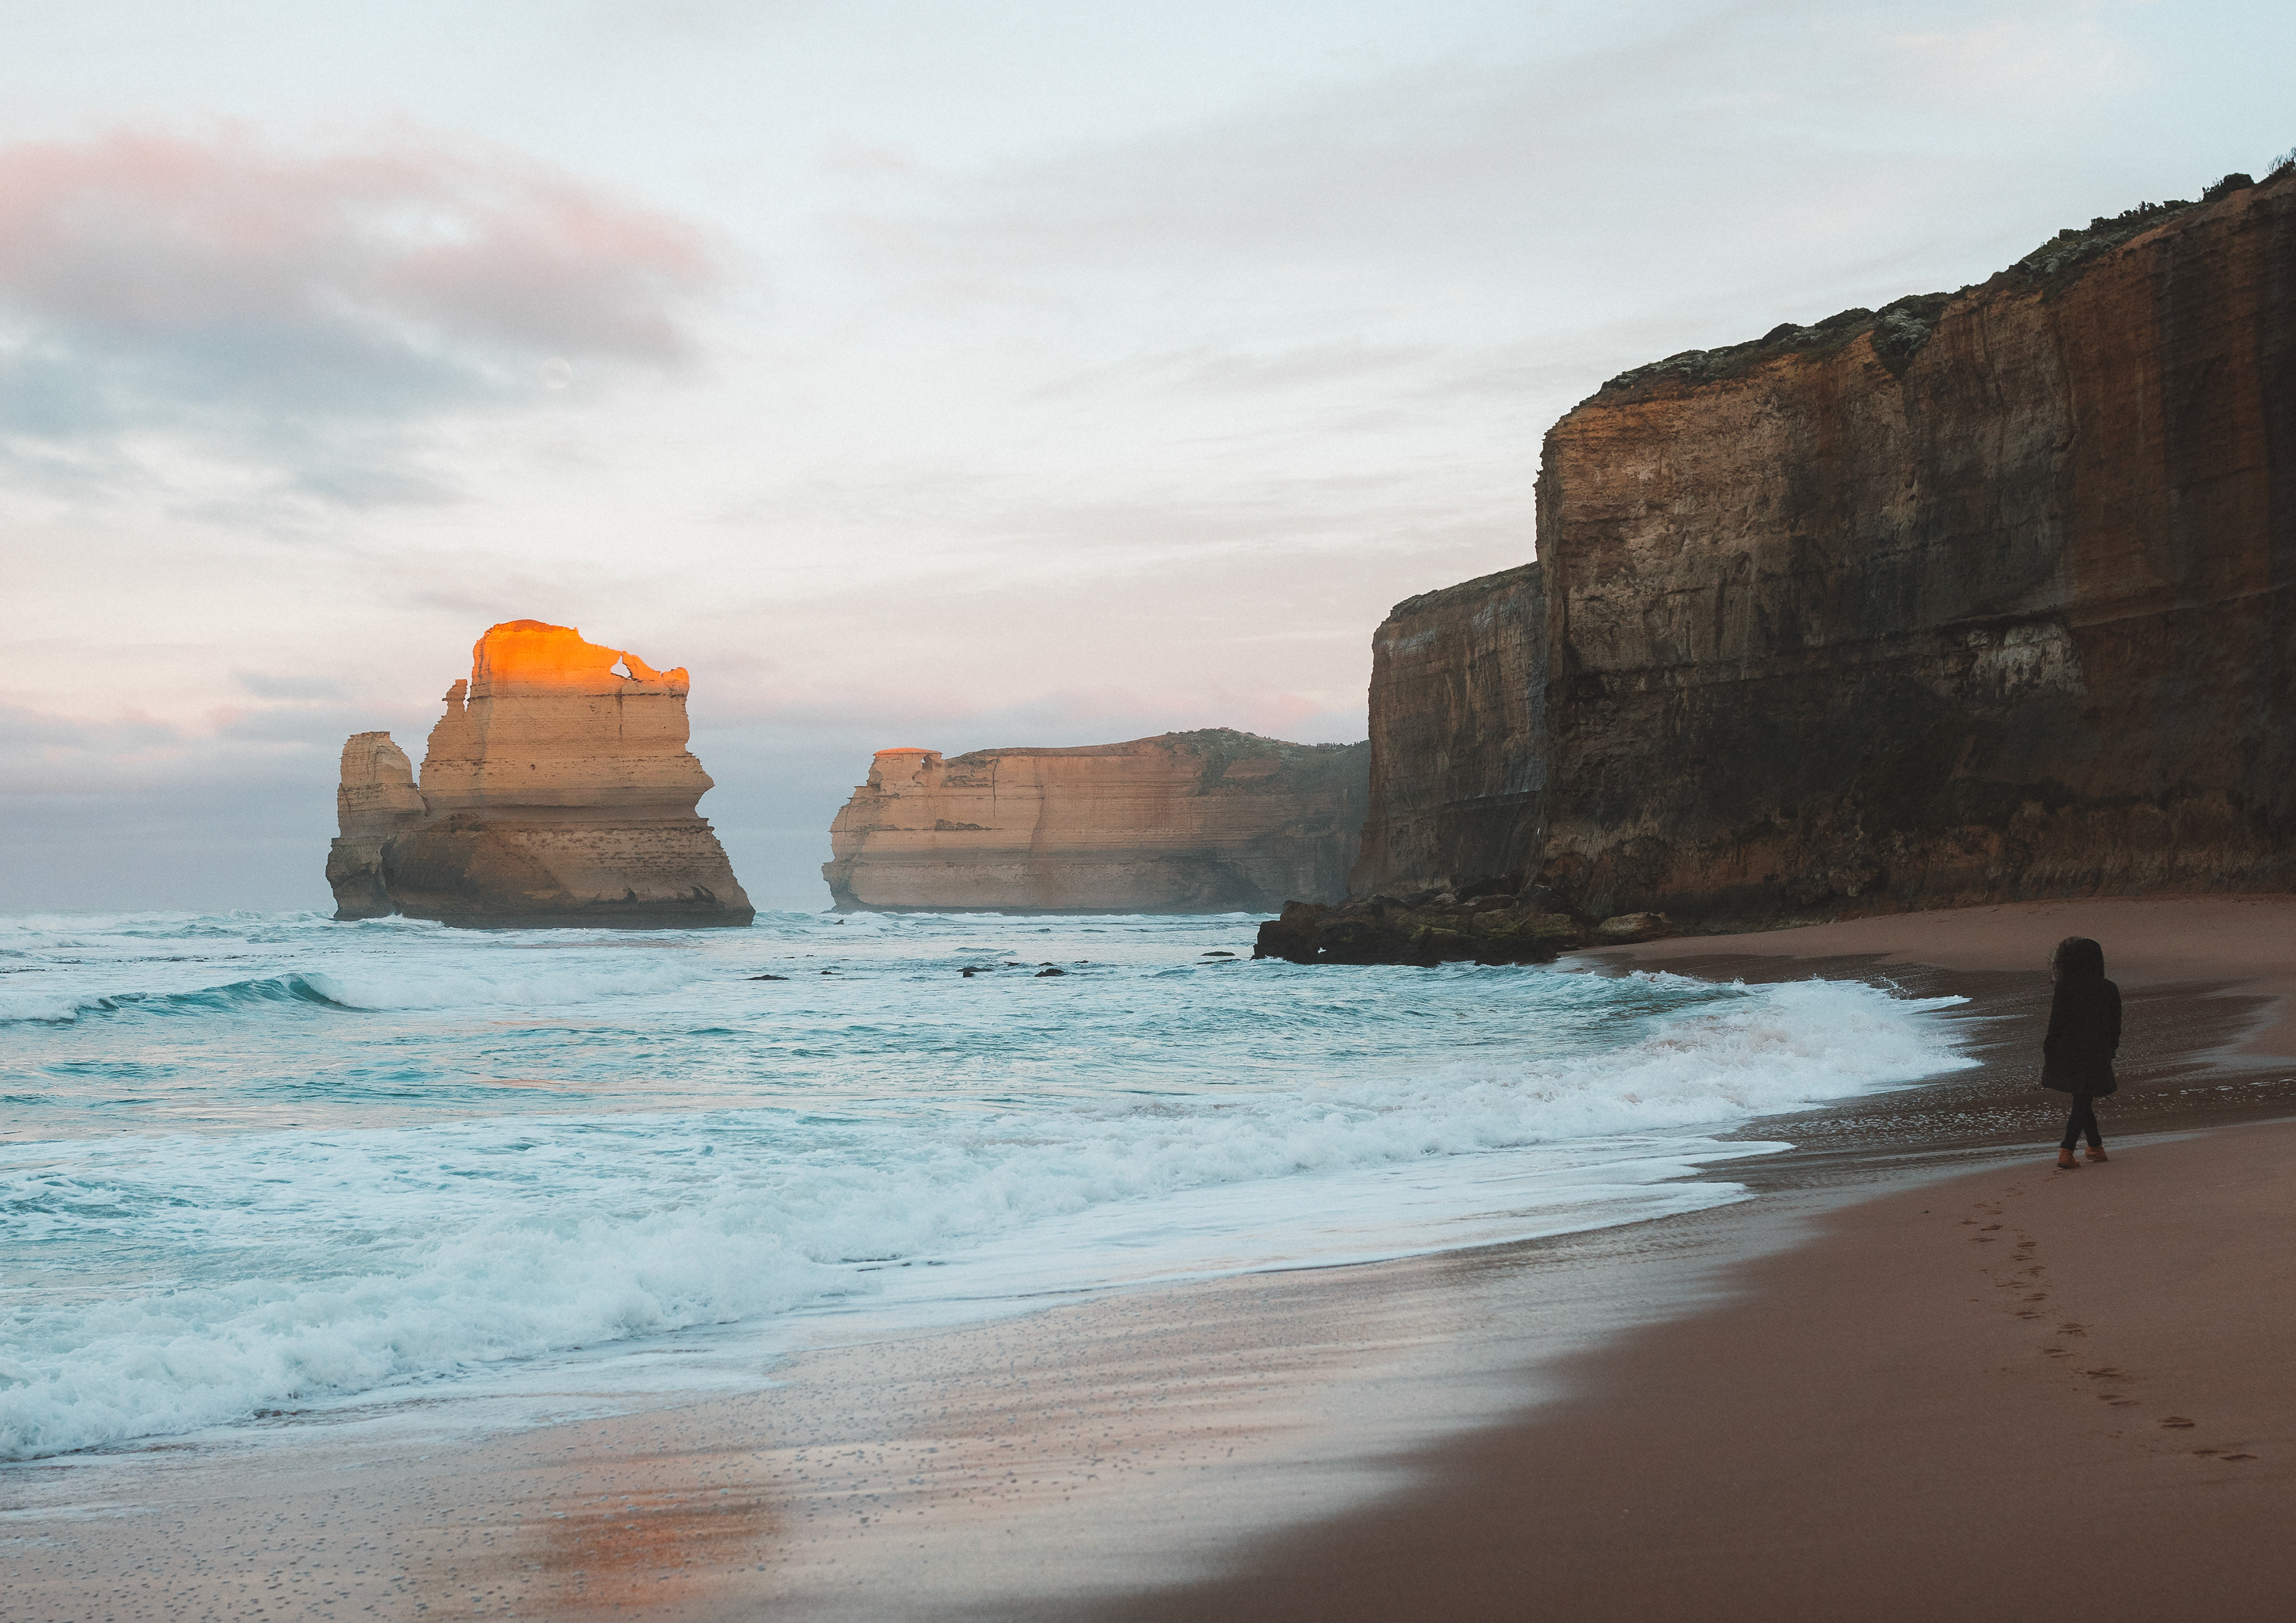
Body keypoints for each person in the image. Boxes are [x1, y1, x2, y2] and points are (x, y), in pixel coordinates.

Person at [2040, 935, 2121, 1169]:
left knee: (2081, 1098)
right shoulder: (2109, 988)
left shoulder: (2065, 987)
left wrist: (2049, 1048)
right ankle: (2087, 1148)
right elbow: (2115, 1026)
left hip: (2069, 1050)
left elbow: (2056, 1023)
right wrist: (2111, 1050)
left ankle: (2075, 1149)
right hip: (2097, 1051)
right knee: (2082, 1098)